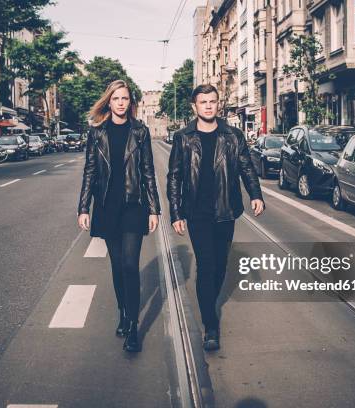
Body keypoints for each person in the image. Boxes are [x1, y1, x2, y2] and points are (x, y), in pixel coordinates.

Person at [167, 84, 265, 351]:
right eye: (203, 102)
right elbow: (174, 176)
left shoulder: (233, 135)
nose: (208, 106)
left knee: (221, 266)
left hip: (226, 210)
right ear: (194, 106)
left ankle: (209, 304)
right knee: (206, 266)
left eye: (212, 101)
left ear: (217, 104)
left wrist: (256, 194)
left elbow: (246, 167)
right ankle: (210, 325)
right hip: (197, 213)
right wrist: (176, 212)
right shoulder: (183, 137)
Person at [77, 80, 161, 352]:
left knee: (129, 264)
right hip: (106, 207)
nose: (121, 102)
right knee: (116, 267)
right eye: (116, 99)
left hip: (133, 205)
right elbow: (89, 170)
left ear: (130, 103)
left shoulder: (140, 132)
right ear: (109, 102)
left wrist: (154, 208)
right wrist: (83, 208)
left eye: (125, 98)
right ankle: (123, 312)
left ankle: (134, 327)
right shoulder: (97, 132)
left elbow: (148, 171)